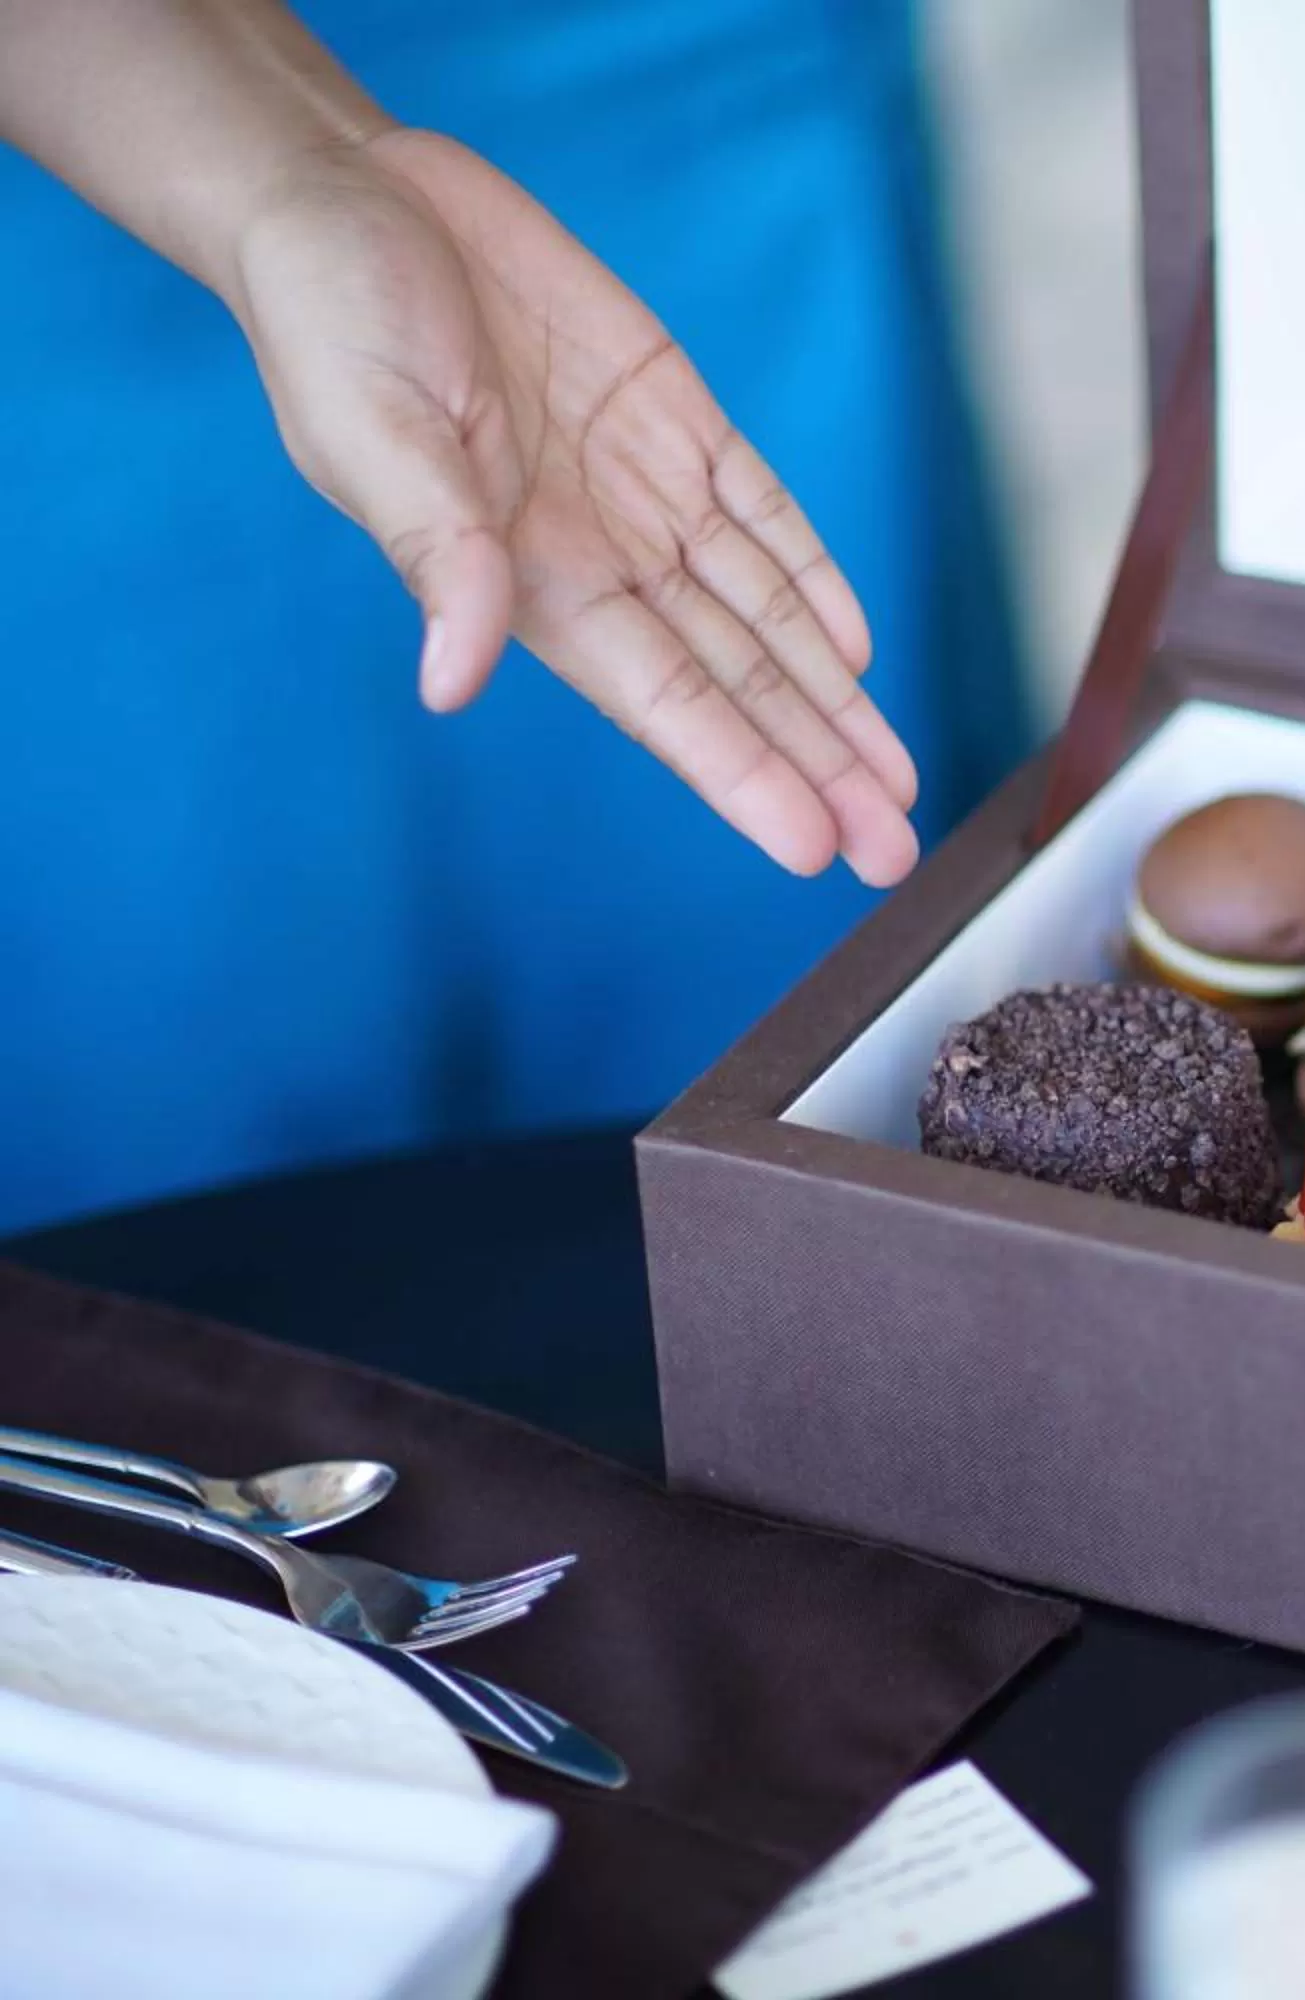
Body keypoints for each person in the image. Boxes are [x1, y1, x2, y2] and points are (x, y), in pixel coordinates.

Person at [0, 1, 1020, 1231]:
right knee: (198, 1159)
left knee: (803, 1070)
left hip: (710, 97)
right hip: (91, 143)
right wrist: (283, 167)